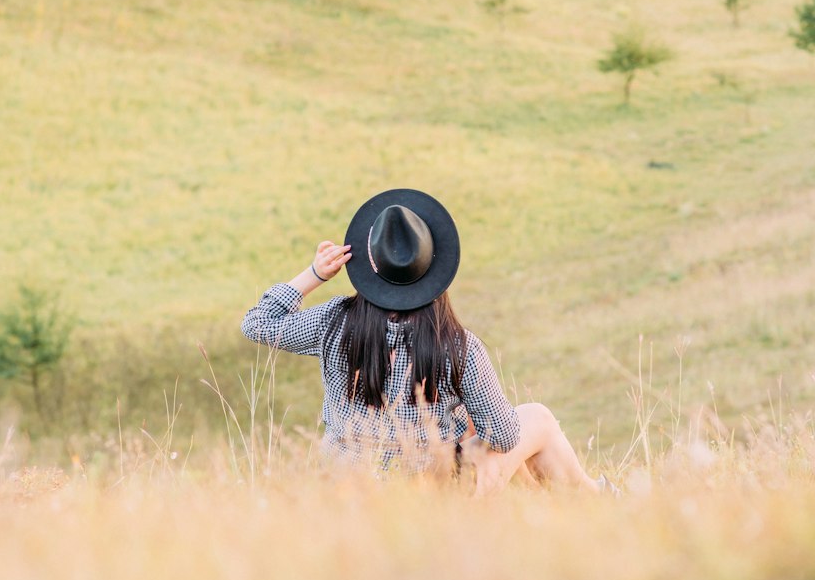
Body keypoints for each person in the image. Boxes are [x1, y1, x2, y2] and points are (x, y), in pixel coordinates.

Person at [241, 188, 600, 492]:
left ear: (369, 266)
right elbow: (504, 437)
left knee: (477, 427)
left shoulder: (334, 322)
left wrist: (315, 274)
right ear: (435, 268)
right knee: (536, 418)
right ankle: (595, 499)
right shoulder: (456, 346)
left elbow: (257, 324)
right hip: (429, 490)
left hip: (345, 487)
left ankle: (570, 501)